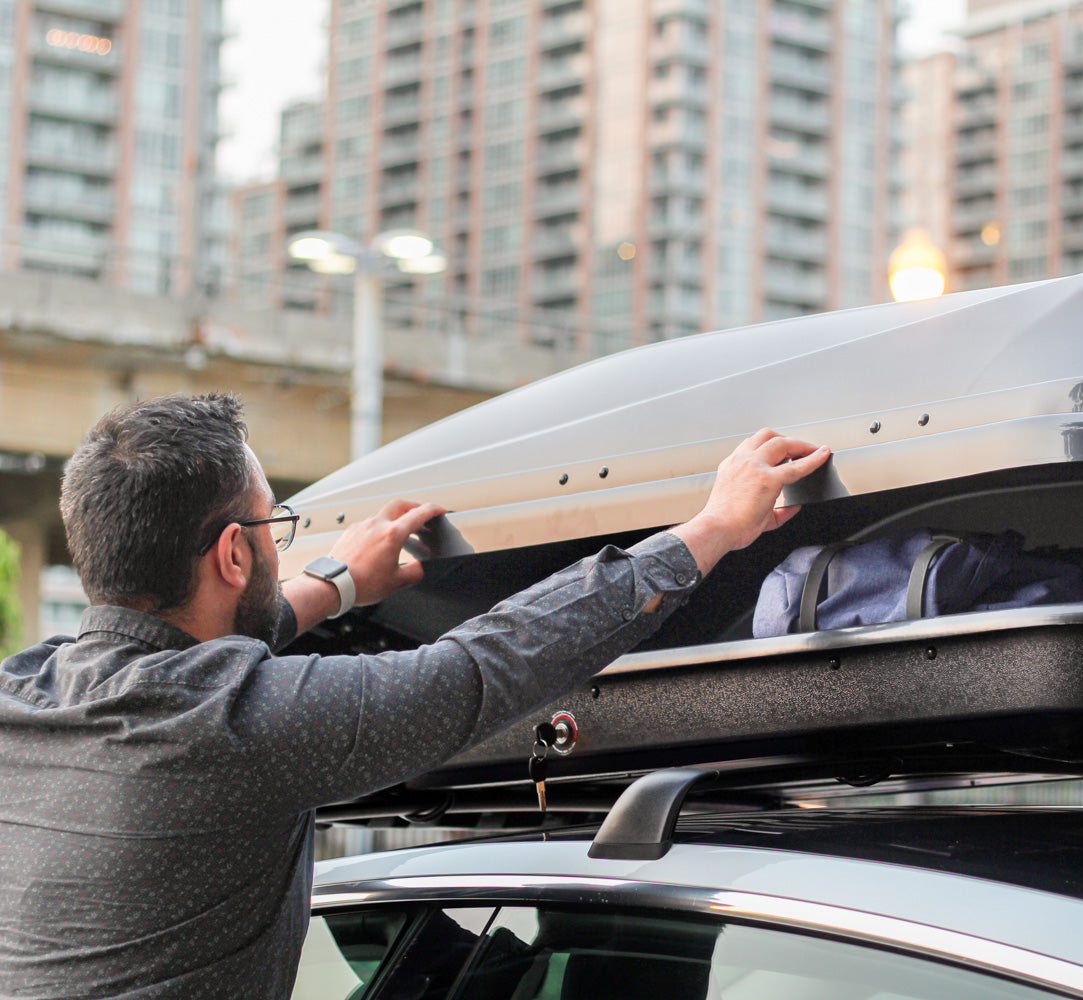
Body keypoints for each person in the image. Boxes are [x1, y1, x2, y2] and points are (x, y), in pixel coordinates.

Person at [0, 393, 830, 1000]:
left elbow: (193, 665)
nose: (279, 547)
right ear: (232, 555)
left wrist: (334, 585)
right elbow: (488, 664)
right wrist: (712, 529)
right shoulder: (236, 727)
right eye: (273, 528)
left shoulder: (23, 693)